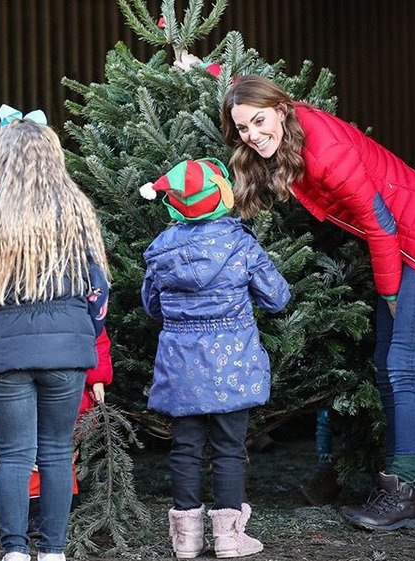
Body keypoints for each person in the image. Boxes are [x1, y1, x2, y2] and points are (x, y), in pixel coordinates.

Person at [220, 74, 415, 531]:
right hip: (402, 240)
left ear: (281, 110)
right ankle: (395, 487)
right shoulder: (288, 124)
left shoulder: (323, 149)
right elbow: (243, 80)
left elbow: (381, 223)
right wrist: (201, 68)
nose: (252, 135)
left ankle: (404, 493)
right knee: (386, 361)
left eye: (258, 122)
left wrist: (390, 293)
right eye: (243, 128)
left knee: (403, 364)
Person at [0, 104, 110, 561]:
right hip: (67, 348)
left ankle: (15, 551)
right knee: (58, 453)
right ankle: (54, 551)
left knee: (17, 454)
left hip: (5, 350)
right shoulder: (77, 210)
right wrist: (82, 332)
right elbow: (98, 289)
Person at [139, 158, 290, 558]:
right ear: (223, 195)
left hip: (180, 364)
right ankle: (228, 537)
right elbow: (277, 298)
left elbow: (152, 307)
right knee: (228, 447)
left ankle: (186, 538)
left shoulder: (161, 251)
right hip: (232, 364)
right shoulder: (240, 245)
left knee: (185, 447)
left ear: (173, 205)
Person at [27, 327, 113, 538]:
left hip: (72, 391)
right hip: (29, 389)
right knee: (32, 457)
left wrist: (97, 378)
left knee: (65, 454)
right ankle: (33, 511)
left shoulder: (81, 300)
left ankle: (66, 509)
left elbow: (96, 340)